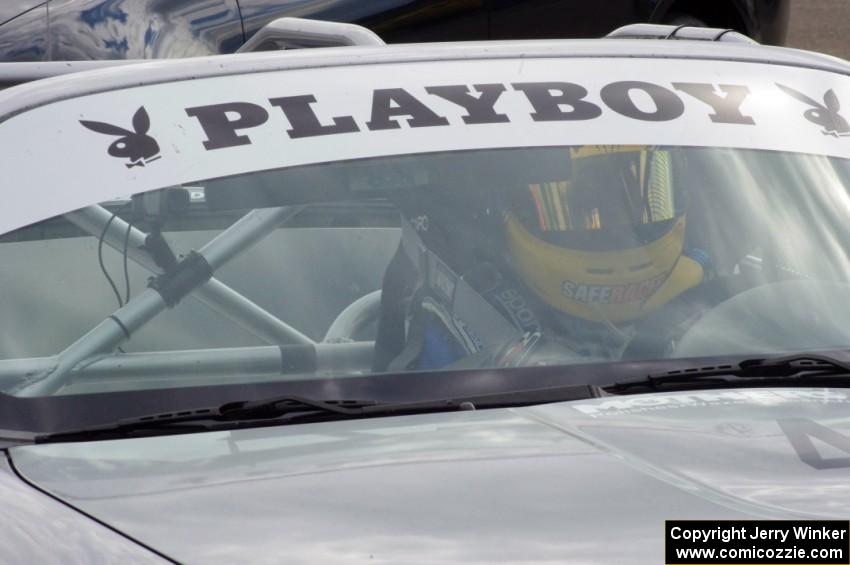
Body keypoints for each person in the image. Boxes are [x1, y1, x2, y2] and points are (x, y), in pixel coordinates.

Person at [372, 145, 716, 372]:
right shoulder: (469, 315)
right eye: (585, 206)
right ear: (509, 212)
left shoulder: (705, 290)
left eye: (632, 198)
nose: (614, 223)